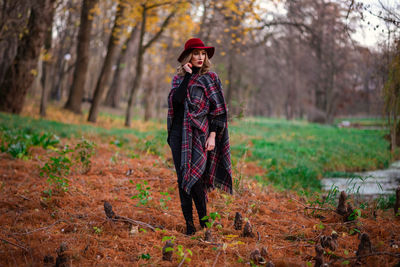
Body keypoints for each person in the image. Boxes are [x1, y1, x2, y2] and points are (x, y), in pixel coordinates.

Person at [167, 38, 233, 235]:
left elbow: (219, 111)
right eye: (196, 53)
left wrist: (212, 136)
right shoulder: (179, 78)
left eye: (203, 54)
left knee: (195, 179)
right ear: (188, 56)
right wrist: (188, 76)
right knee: (182, 179)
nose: (200, 57)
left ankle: (204, 225)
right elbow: (176, 102)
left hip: (200, 135)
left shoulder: (211, 78)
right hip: (178, 135)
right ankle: (189, 226)